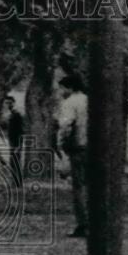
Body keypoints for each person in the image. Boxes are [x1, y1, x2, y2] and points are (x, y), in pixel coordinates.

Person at [56, 75, 89, 238]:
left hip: (78, 147)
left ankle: (83, 224)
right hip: (94, 148)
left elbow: (66, 125)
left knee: (79, 186)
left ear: (69, 87)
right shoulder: (89, 100)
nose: (60, 91)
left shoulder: (69, 103)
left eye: (61, 88)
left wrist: (61, 144)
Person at [2, 95, 25, 185]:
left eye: (9, 103)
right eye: (6, 103)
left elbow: (21, 130)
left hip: (16, 141)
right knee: (13, 161)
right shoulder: (11, 114)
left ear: (13, 103)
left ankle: (17, 182)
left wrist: (19, 145)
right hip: (11, 141)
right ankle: (15, 181)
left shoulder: (17, 114)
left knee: (15, 161)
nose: (7, 105)